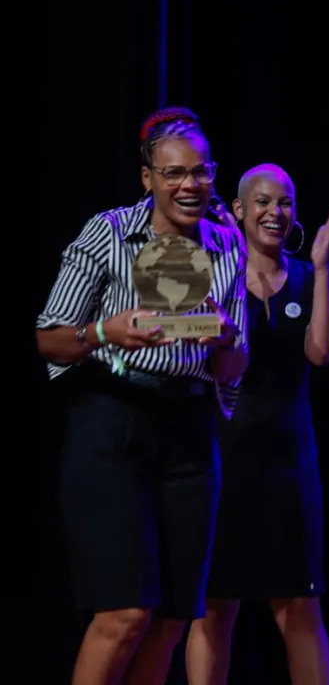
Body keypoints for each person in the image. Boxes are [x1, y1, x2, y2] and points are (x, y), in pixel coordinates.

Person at [35, 107, 247, 685]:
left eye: (201, 172)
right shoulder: (106, 232)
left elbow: (233, 366)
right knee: (124, 613)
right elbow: (49, 338)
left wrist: (225, 334)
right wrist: (106, 330)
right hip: (112, 423)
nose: (190, 185)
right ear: (147, 177)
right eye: (175, 173)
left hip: (189, 432)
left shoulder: (228, 246)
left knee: (172, 621)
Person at [185, 164, 329, 685]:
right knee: (214, 608)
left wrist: (321, 269)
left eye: (286, 203)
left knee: (300, 609)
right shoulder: (215, 278)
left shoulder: (303, 274)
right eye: (263, 202)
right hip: (222, 462)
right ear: (238, 210)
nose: (276, 212)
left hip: (290, 466)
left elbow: (321, 352)